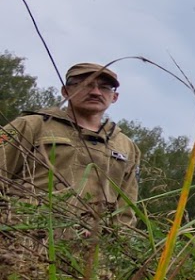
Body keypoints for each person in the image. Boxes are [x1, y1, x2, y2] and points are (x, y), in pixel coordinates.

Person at [0, 61, 140, 228]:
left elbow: (126, 212)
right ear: (66, 91)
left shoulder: (126, 146)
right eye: (86, 85)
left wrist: (116, 245)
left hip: (87, 248)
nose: (95, 92)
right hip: (23, 237)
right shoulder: (32, 125)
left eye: (104, 87)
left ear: (114, 97)